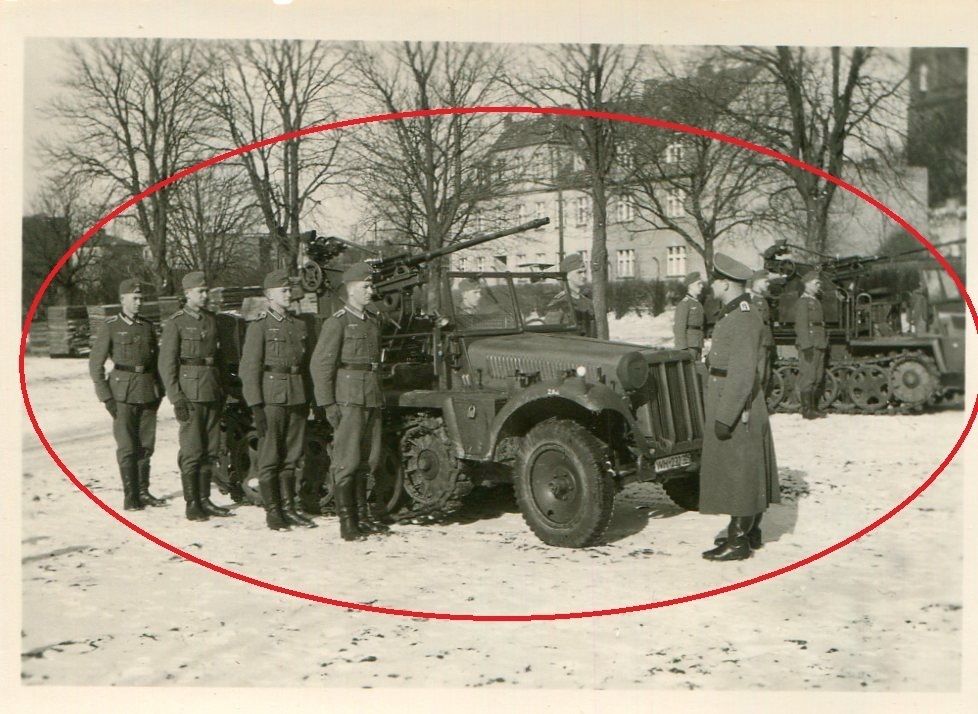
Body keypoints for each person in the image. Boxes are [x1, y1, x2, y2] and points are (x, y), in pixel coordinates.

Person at [699, 253, 780, 561]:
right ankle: (746, 532)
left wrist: (726, 415)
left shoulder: (743, 317)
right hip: (733, 397)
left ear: (725, 284)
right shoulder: (734, 313)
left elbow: (744, 372)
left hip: (738, 402)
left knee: (740, 470)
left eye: (715, 281)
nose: (711, 286)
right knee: (744, 468)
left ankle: (738, 540)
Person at [311, 262, 389, 541]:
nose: (371, 291)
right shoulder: (338, 321)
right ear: (351, 290)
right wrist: (328, 404)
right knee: (347, 460)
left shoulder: (370, 321)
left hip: (370, 397)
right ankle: (347, 521)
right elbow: (321, 365)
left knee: (370, 459)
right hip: (349, 399)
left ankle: (362, 514)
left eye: (371, 286)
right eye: (366, 287)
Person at [239, 269, 316, 531]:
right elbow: (249, 369)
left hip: (296, 395)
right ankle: (273, 511)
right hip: (271, 399)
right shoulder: (259, 327)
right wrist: (255, 406)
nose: (289, 294)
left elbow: (305, 366)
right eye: (283, 290)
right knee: (270, 457)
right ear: (269, 295)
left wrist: (310, 398)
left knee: (292, 456)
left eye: (289, 290)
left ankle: (290, 507)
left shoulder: (298, 326)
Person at [158, 271, 234, 522]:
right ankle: (192, 503)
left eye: (206, 291)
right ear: (187, 294)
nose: (205, 295)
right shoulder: (176, 323)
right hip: (190, 395)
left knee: (211, 449)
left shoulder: (212, 320)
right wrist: (176, 398)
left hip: (212, 391)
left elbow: (219, 360)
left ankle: (205, 499)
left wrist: (223, 389)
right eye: (200, 291)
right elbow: (167, 364)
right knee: (192, 450)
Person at [88, 279, 166, 511]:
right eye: (135, 298)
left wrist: (159, 391)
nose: (139, 303)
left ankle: (143, 490)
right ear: (123, 300)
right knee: (127, 447)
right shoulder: (111, 326)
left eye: (141, 298)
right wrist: (106, 397)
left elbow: (157, 362)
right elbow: (95, 365)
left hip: (147, 391)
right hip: (121, 394)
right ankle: (131, 495)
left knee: (146, 445)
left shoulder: (147, 326)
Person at [794, 269, 828, 420]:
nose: (818, 285)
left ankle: (813, 407)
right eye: (816, 283)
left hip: (819, 343)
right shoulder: (803, 302)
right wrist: (806, 345)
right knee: (808, 377)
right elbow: (801, 325)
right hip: (810, 344)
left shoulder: (815, 301)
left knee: (817, 376)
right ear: (807, 284)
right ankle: (807, 410)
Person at [545, 253, 597, 337]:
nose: (584, 276)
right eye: (579, 272)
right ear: (568, 275)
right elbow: (551, 337)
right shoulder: (558, 304)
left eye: (584, 272)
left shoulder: (588, 303)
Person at [747, 268, 777, 390]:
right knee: (758, 374)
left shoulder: (763, 299)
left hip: (765, 340)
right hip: (756, 341)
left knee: (766, 374)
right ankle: (754, 406)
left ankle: (761, 405)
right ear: (757, 281)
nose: (768, 284)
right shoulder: (749, 300)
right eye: (766, 281)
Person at [673, 271, 706, 360]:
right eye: (699, 284)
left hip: (697, 343)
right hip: (689, 344)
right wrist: (682, 348)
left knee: (698, 368)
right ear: (690, 285)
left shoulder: (698, 303)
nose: (701, 286)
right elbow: (679, 327)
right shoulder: (685, 304)